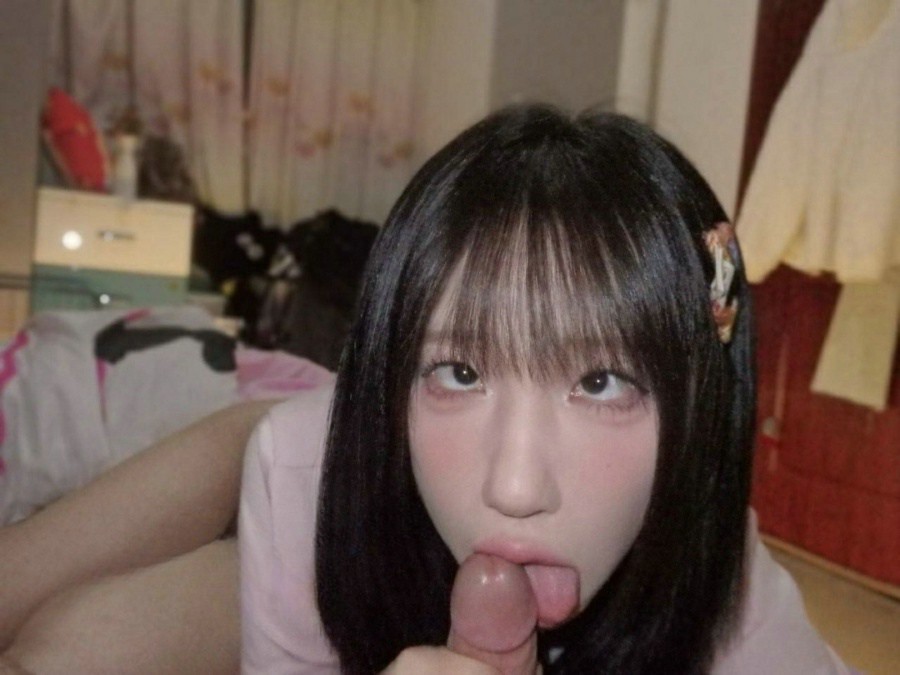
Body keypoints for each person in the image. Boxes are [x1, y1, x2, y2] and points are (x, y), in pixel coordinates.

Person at [0, 105, 851, 675]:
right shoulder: (298, 469)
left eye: (600, 381)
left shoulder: (715, 568)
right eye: (462, 371)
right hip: (301, 456)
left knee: (68, 646)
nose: (514, 486)